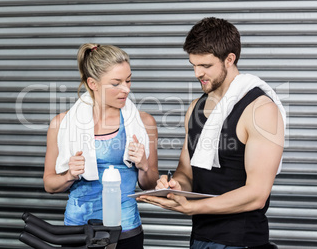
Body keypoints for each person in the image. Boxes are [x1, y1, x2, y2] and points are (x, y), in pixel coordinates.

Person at [138, 17, 286, 249]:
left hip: (241, 242)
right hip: (200, 238)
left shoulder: (261, 110)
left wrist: (192, 207)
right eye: (193, 65)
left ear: (229, 59)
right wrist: (176, 187)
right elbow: (187, 173)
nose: (197, 73)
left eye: (205, 66)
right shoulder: (195, 108)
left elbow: (257, 194)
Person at [43, 43, 159, 249]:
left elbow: (149, 185)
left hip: (126, 230)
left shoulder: (143, 123)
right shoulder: (62, 124)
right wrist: (69, 174)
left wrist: (143, 165)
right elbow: (50, 185)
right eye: (116, 83)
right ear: (93, 83)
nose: (126, 89)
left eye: (128, 80)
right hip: (78, 230)